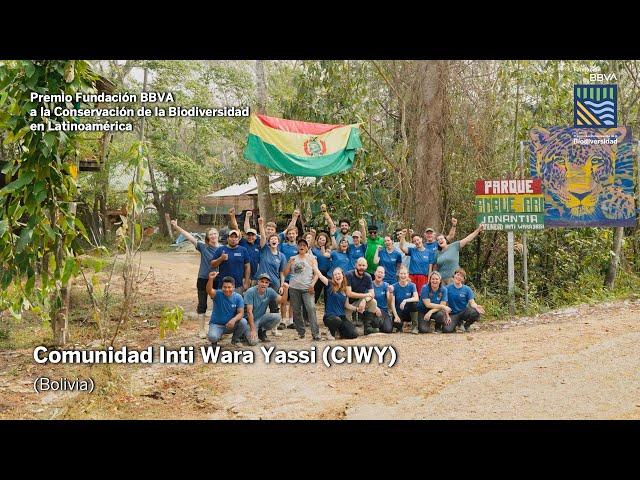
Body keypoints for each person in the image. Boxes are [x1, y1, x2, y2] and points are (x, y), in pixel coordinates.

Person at [170, 219, 220, 339]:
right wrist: (177, 227)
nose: (213, 235)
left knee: (218, 304)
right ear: (208, 237)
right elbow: (189, 237)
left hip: (218, 280)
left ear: (217, 235)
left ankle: (217, 327)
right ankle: (201, 329)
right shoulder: (203, 247)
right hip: (203, 279)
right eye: (210, 234)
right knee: (202, 304)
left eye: (214, 233)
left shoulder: (223, 248)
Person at [283, 237, 321, 340]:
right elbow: (285, 273)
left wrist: (312, 284)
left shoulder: (312, 259)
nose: (302, 247)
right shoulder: (293, 258)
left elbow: (317, 274)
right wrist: (289, 263)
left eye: (304, 245)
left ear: (307, 248)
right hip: (294, 288)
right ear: (297, 247)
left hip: (307, 288)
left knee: (311, 309)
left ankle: (316, 334)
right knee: (296, 311)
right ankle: (301, 332)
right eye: (300, 245)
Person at [257, 216, 287, 337]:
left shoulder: (281, 256)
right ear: (269, 242)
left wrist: (281, 285)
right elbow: (263, 237)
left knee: (274, 307)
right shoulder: (264, 250)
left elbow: (282, 273)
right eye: (272, 239)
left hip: (274, 283)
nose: (274, 240)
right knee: (260, 306)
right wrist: (261, 224)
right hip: (262, 283)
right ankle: (258, 327)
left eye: (276, 239)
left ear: (278, 242)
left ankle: (274, 329)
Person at [205, 272, 249, 346]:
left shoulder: (238, 297)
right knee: (212, 337)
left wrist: (233, 320)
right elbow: (209, 290)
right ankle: (215, 339)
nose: (227, 289)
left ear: (233, 287)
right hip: (217, 324)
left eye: (229, 287)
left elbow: (241, 313)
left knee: (243, 322)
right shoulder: (217, 294)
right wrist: (210, 279)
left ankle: (235, 340)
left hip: (230, 325)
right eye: (224, 287)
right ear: (221, 287)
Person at [316, 267, 359, 340]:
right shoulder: (330, 284)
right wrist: (314, 265)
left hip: (341, 316)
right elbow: (320, 276)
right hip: (330, 316)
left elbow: (347, 305)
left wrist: (357, 309)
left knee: (353, 334)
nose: (337, 276)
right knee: (336, 320)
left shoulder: (345, 289)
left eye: (338, 274)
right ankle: (330, 332)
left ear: (342, 275)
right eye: (335, 275)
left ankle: (339, 331)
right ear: (333, 277)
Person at [244, 273, 284, 345]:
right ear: (258, 282)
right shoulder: (250, 292)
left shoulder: (270, 291)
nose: (264, 284)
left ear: (268, 284)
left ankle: (261, 331)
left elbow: (282, 301)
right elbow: (249, 312)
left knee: (277, 317)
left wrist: (286, 289)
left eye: (266, 282)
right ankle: (244, 333)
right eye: (262, 282)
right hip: (249, 321)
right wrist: (252, 330)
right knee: (253, 342)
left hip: (260, 318)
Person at [345, 257, 382, 335]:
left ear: (366, 266)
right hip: (347, 304)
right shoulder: (349, 275)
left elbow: (372, 294)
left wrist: (364, 300)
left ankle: (367, 327)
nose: (361, 267)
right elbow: (349, 293)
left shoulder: (368, 276)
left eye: (363, 265)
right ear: (356, 265)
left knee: (373, 302)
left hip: (359, 302)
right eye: (360, 265)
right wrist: (365, 296)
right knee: (347, 330)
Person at [444, 268, 485, 333]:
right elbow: (444, 304)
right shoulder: (447, 288)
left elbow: (472, 303)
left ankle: (467, 325)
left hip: (463, 312)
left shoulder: (467, 289)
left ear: (463, 279)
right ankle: (458, 323)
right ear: (454, 275)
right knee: (447, 330)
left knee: (475, 313)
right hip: (452, 313)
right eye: (457, 275)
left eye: (461, 276)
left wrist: (476, 306)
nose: (459, 277)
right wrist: (447, 315)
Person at [210, 229, 251, 294]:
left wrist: (246, 282)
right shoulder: (221, 249)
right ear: (228, 238)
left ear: (239, 239)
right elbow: (212, 265)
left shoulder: (243, 250)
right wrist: (221, 258)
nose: (233, 239)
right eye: (231, 237)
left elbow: (247, 267)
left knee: (237, 303)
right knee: (222, 303)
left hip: (238, 286)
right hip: (223, 286)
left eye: (235, 237)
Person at [229, 208, 261, 284]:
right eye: (248, 235)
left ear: (256, 237)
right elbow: (236, 228)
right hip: (243, 277)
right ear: (246, 236)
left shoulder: (258, 244)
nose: (250, 237)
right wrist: (233, 216)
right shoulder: (243, 242)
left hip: (255, 278)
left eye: (252, 235)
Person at [398, 229, 431, 296]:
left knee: (422, 296)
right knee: (410, 295)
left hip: (423, 277)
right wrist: (403, 236)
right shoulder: (412, 250)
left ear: (421, 239)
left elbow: (430, 268)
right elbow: (401, 247)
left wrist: (429, 280)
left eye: (418, 240)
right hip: (412, 277)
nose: (417, 242)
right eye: (414, 241)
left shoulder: (429, 252)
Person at [389, 265, 420, 334]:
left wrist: (405, 300)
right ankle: (400, 325)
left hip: (409, 312)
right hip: (399, 311)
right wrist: (396, 316)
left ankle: (415, 326)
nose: (403, 275)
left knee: (415, 304)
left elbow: (417, 298)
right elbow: (392, 303)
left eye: (404, 274)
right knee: (397, 327)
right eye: (401, 273)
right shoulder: (394, 286)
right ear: (398, 275)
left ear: (408, 275)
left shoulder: (412, 285)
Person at [372, 266, 399, 334]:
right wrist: (375, 308)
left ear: (384, 275)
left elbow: (389, 300)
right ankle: (373, 326)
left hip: (384, 312)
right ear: (375, 273)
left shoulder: (386, 285)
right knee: (376, 321)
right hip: (372, 310)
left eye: (382, 273)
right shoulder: (370, 284)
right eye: (378, 272)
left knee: (388, 330)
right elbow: (368, 299)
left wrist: (390, 292)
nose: (380, 274)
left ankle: (379, 325)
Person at [311, 231, 332, 304]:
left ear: (326, 241)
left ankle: (327, 313)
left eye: (323, 240)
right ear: (317, 239)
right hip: (318, 274)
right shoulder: (314, 249)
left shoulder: (329, 250)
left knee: (328, 295)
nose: (321, 241)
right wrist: (313, 236)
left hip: (327, 274)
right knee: (316, 293)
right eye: (320, 239)